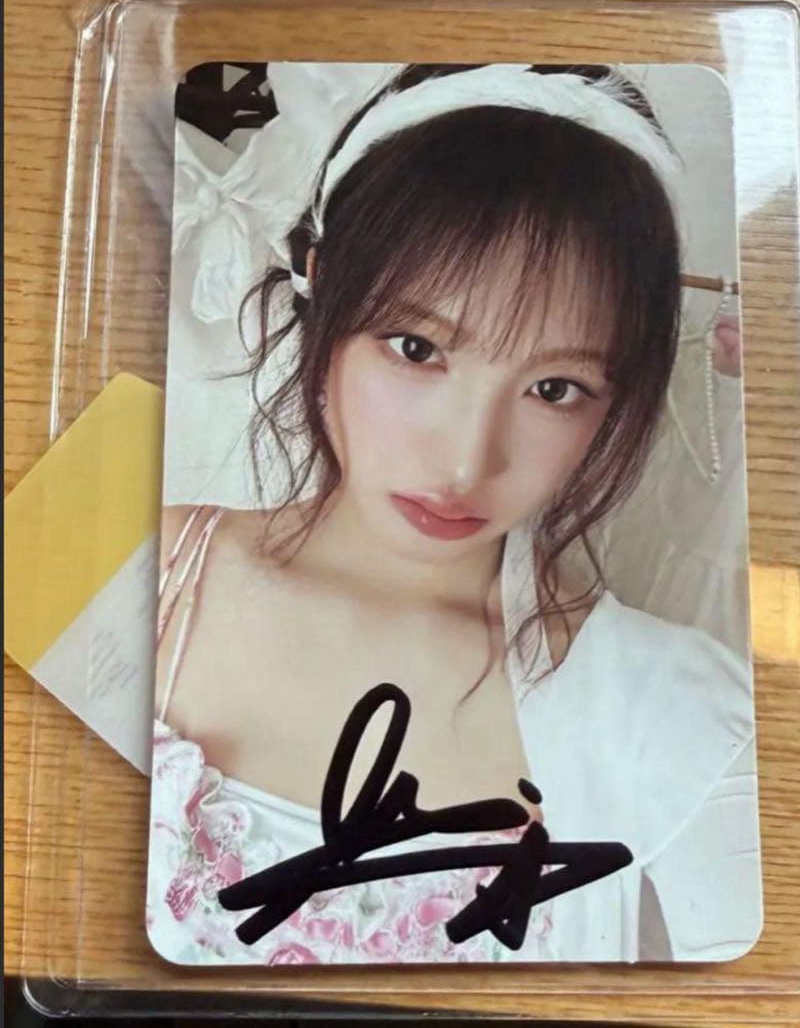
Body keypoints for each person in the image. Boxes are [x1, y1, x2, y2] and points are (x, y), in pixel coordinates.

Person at [147, 63, 761, 967]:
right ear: (321, 284)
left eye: (554, 388)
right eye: (416, 347)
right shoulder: (125, 568)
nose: (468, 463)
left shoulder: (676, 712)